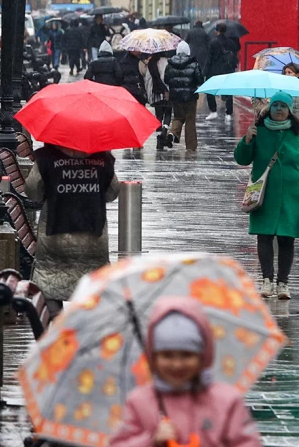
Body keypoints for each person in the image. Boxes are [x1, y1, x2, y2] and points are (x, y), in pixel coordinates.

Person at [109, 296, 262, 447]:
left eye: (187, 355)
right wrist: (151, 441)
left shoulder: (227, 401)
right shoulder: (139, 402)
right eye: (167, 355)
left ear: (202, 355)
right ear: (153, 357)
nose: (177, 365)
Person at [24, 144, 119, 314]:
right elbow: (112, 193)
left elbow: (33, 192)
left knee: (50, 280)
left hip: (54, 236)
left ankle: (54, 322)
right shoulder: (102, 156)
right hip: (93, 236)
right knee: (92, 281)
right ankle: (86, 327)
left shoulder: (46, 156)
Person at [234, 91, 299, 300]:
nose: (279, 109)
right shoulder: (258, 130)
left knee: (286, 239)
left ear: (290, 110)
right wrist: (247, 139)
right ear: (269, 108)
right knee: (264, 236)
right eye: (275, 105)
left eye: (283, 106)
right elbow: (242, 159)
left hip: (291, 194)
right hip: (264, 192)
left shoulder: (297, 133)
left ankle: (283, 283)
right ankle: (267, 280)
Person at [164, 42, 204, 151]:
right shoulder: (193, 63)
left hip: (176, 97)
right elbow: (200, 79)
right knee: (190, 120)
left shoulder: (170, 63)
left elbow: (166, 79)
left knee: (178, 117)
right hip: (190, 96)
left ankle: (172, 133)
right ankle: (191, 147)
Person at [204, 23, 238, 122]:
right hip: (227, 70)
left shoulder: (213, 43)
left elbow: (209, 58)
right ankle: (228, 113)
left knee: (209, 89)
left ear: (217, 31)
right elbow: (234, 56)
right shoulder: (231, 43)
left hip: (214, 70)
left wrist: (205, 71)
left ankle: (213, 111)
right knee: (228, 90)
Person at [142, 52, 172, 150]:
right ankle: (165, 130)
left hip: (156, 93)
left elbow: (151, 78)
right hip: (167, 91)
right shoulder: (168, 61)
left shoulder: (152, 62)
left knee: (159, 115)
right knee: (168, 113)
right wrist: (166, 89)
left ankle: (159, 140)